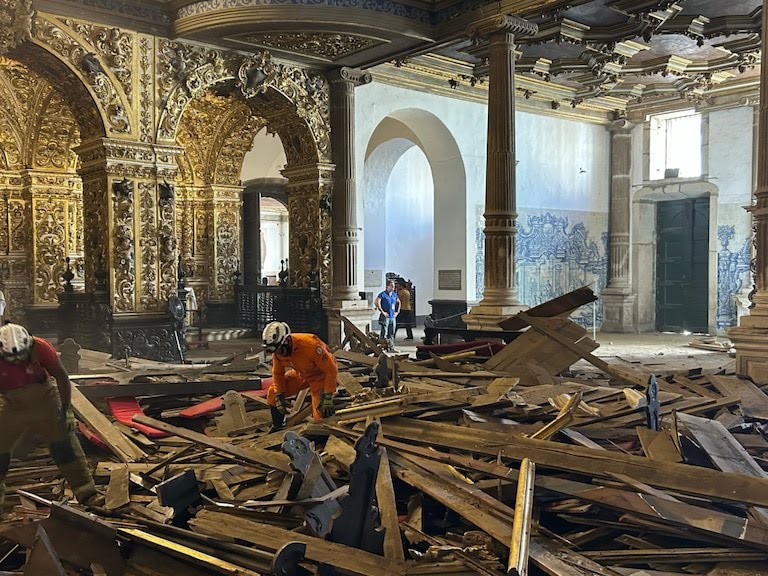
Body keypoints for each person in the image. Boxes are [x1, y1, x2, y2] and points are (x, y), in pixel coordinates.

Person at [0, 323, 103, 513]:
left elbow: (61, 376)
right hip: (12, 402)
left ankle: (87, 493)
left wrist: (66, 409)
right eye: (11, 358)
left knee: (64, 445)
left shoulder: (40, 347)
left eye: (21, 356)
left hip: (45, 399)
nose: (17, 361)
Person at [262, 321, 338, 432]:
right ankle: (278, 425)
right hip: (302, 373)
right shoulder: (278, 352)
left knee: (320, 412)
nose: (278, 354)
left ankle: (322, 434)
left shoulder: (311, 345)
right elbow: (278, 373)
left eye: (279, 350)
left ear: (286, 342)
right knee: (273, 392)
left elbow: (331, 370)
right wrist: (280, 394)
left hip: (320, 375)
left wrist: (328, 396)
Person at [375, 280, 400, 352]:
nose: (393, 287)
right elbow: (377, 302)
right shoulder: (383, 294)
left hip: (392, 316)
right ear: (387, 286)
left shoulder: (394, 295)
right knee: (384, 332)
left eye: (394, 286)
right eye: (391, 286)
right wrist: (382, 311)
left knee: (391, 333)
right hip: (386, 316)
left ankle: (391, 347)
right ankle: (382, 348)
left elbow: (399, 302)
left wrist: (397, 311)